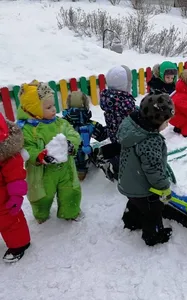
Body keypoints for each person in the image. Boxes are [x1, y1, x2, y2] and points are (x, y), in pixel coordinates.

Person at [17, 80, 82, 224]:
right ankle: (41, 215)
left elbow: (73, 134)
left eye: (53, 105)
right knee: (42, 196)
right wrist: (38, 156)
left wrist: (71, 144)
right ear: (34, 110)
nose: (53, 109)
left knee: (70, 191)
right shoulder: (27, 129)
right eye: (48, 107)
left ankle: (70, 212)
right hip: (42, 173)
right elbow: (27, 148)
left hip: (65, 169)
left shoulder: (60, 123)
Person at [117, 93, 175, 246]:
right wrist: (163, 186)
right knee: (152, 211)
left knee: (135, 202)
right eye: (166, 121)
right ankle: (153, 236)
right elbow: (153, 168)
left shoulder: (132, 127)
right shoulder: (150, 140)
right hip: (144, 188)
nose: (167, 125)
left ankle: (131, 221)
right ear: (156, 120)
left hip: (128, 180)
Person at [0, 113, 31, 263]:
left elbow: (15, 175)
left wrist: (16, 196)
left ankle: (19, 244)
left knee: (10, 220)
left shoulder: (6, 152)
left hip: (3, 198)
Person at [99, 65, 136, 181]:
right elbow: (133, 117)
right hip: (126, 135)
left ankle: (116, 167)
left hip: (114, 131)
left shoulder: (108, 97)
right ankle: (117, 169)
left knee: (119, 149)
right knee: (125, 154)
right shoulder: (124, 102)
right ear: (124, 85)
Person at [62, 91, 108, 180]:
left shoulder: (61, 124)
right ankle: (81, 171)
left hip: (65, 162)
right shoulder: (91, 125)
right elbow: (102, 135)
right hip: (82, 164)